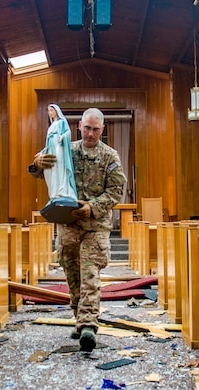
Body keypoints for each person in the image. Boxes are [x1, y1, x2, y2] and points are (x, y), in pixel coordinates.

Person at [28, 107, 127, 352]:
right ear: (79, 126)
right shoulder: (67, 149)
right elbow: (45, 168)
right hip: (68, 224)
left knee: (90, 275)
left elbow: (116, 191)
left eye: (95, 129)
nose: (90, 133)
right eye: (86, 128)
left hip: (95, 226)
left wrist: (92, 207)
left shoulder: (109, 156)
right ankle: (79, 318)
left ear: (102, 130)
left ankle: (88, 326)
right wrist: (37, 163)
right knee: (73, 275)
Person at [41, 103, 78, 206]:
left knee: (60, 167)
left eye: (51, 110)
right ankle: (55, 192)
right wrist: (43, 152)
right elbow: (48, 142)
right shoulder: (52, 125)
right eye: (48, 111)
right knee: (51, 169)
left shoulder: (62, 122)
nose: (50, 113)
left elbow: (68, 132)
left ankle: (63, 190)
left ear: (56, 111)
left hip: (59, 147)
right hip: (52, 148)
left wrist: (63, 137)